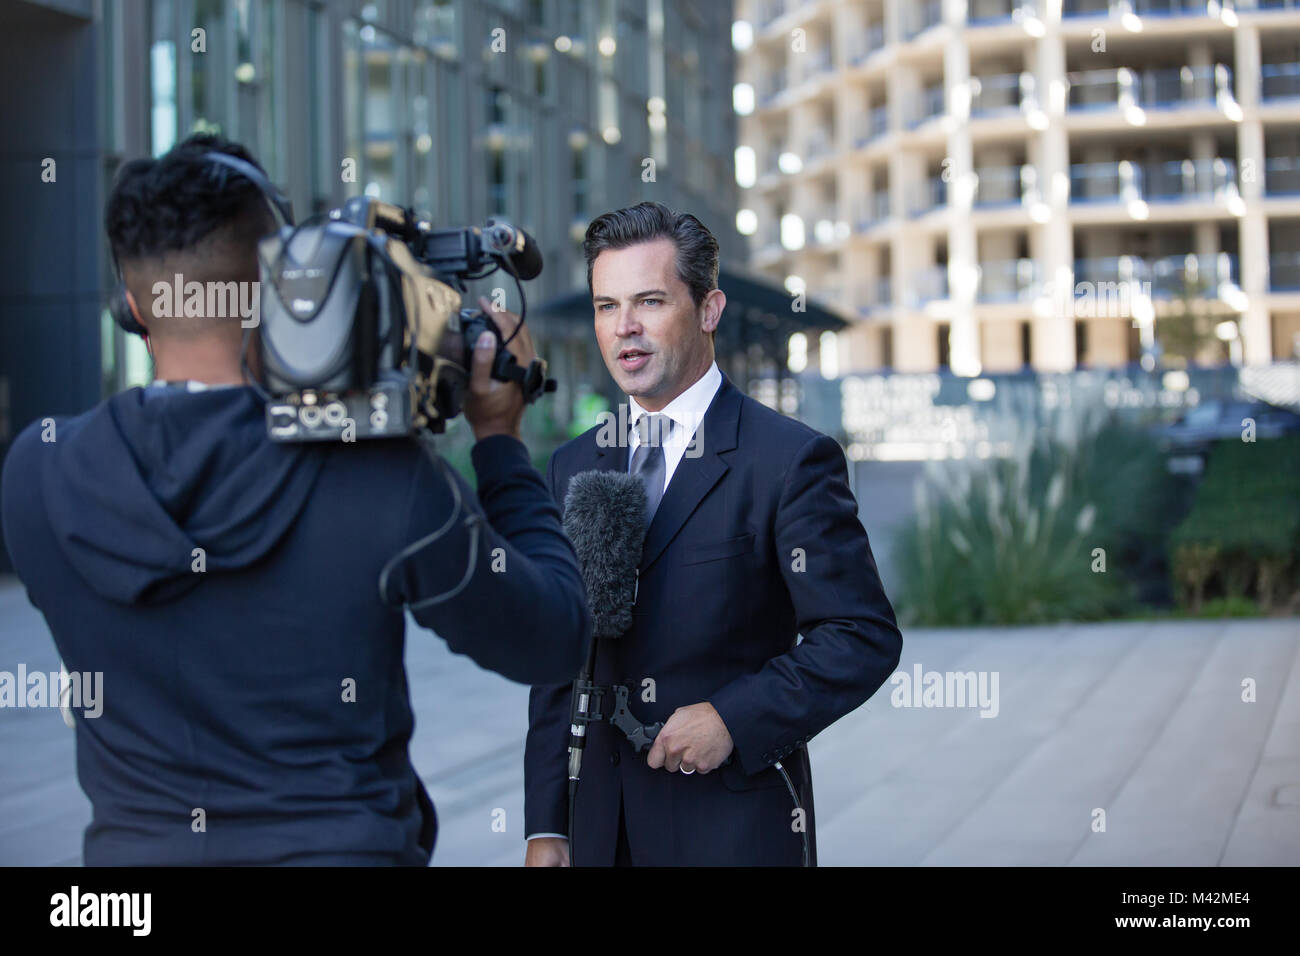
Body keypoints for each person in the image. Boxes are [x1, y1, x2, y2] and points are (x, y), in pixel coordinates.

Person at [0, 134, 589, 866]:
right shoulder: (377, 472)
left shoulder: (36, 472)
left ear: (131, 304)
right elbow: (555, 637)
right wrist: (498, 439)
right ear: (291, 291)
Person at [524, 201, 903, 866]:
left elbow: (861, 636)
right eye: (606, 306)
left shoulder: (787, 460)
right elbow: (562, 665)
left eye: (649, 301)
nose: (625, 328)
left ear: (708, 309)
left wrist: (735, 718)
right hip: (597, 831)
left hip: (730, 827)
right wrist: (546, 825)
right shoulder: (574, 465)